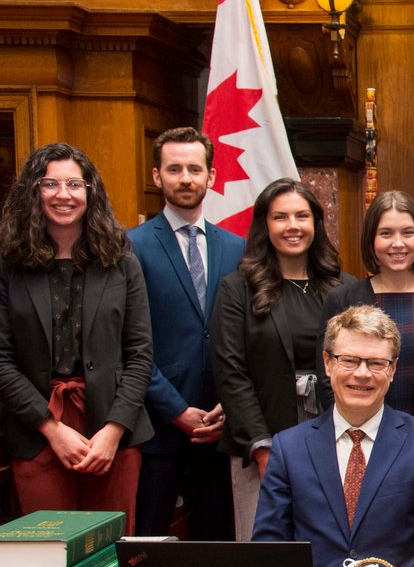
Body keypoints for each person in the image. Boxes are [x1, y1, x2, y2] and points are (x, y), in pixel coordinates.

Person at [0, 143, 153, 533]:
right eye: (50, 183)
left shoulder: (121, 259)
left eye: (74, 184)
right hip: (36, 426)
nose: (63, 194)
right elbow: (1, 359)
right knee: (49, 554)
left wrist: (114, 430)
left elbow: (140, 354)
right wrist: (51, 428)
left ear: (90, 191)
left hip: (113, 426)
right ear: (34, 191)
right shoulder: (9, 263)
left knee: (112, 555)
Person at [253, 305, 414, 567]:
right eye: (349, 360)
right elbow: (268, 549)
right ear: (327, 363)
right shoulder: (289, 448)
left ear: (392, 369)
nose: (362, 373)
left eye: (376, 363)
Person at [212, 178, 352, 540]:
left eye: (302, 216)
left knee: (332, 544)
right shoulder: (237, 288)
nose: (293, 226)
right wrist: (261, 446)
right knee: (267, 551)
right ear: (265, 224)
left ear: (316, 223)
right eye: (281, 217)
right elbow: (231, 372)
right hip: (261, 436)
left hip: (334, 438)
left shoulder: (343, 288)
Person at [129, 127, 244, 539]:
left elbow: (243, 335)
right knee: (147, 545)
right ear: (157, 176)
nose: (185, 178)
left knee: (218, 547)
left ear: (210, 176)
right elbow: (130, 342)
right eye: (174, 169)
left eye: (195, 169)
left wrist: (228, 405)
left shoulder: (237, 247)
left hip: (220, 425)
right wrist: (176, 410)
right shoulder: (131, 246)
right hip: (158, 426)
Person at [319, 191, 414, 438]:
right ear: (371, 239)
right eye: (386, 233)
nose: (398, 243)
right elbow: (328, 379)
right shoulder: (341, 300)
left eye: (407, 233)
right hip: (359, 439)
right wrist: (360, 432)